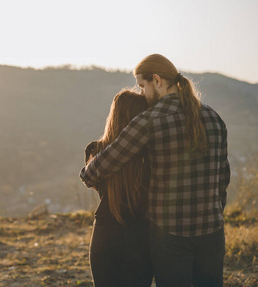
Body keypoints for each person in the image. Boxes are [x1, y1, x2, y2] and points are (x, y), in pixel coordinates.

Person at [80, 54, 230, 287]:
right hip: (212, 232)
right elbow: (223, 180)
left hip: (170, 236)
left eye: (142, 86)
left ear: (157, 80)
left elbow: (94, 172)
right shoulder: (214, 117)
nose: (141, 93)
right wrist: (214, 214)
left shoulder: (150, 120)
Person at [85, 89, 153, 286]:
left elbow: (96, 185)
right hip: (140, 235)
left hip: (105, 233)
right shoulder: (150, 155)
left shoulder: (94, 150)